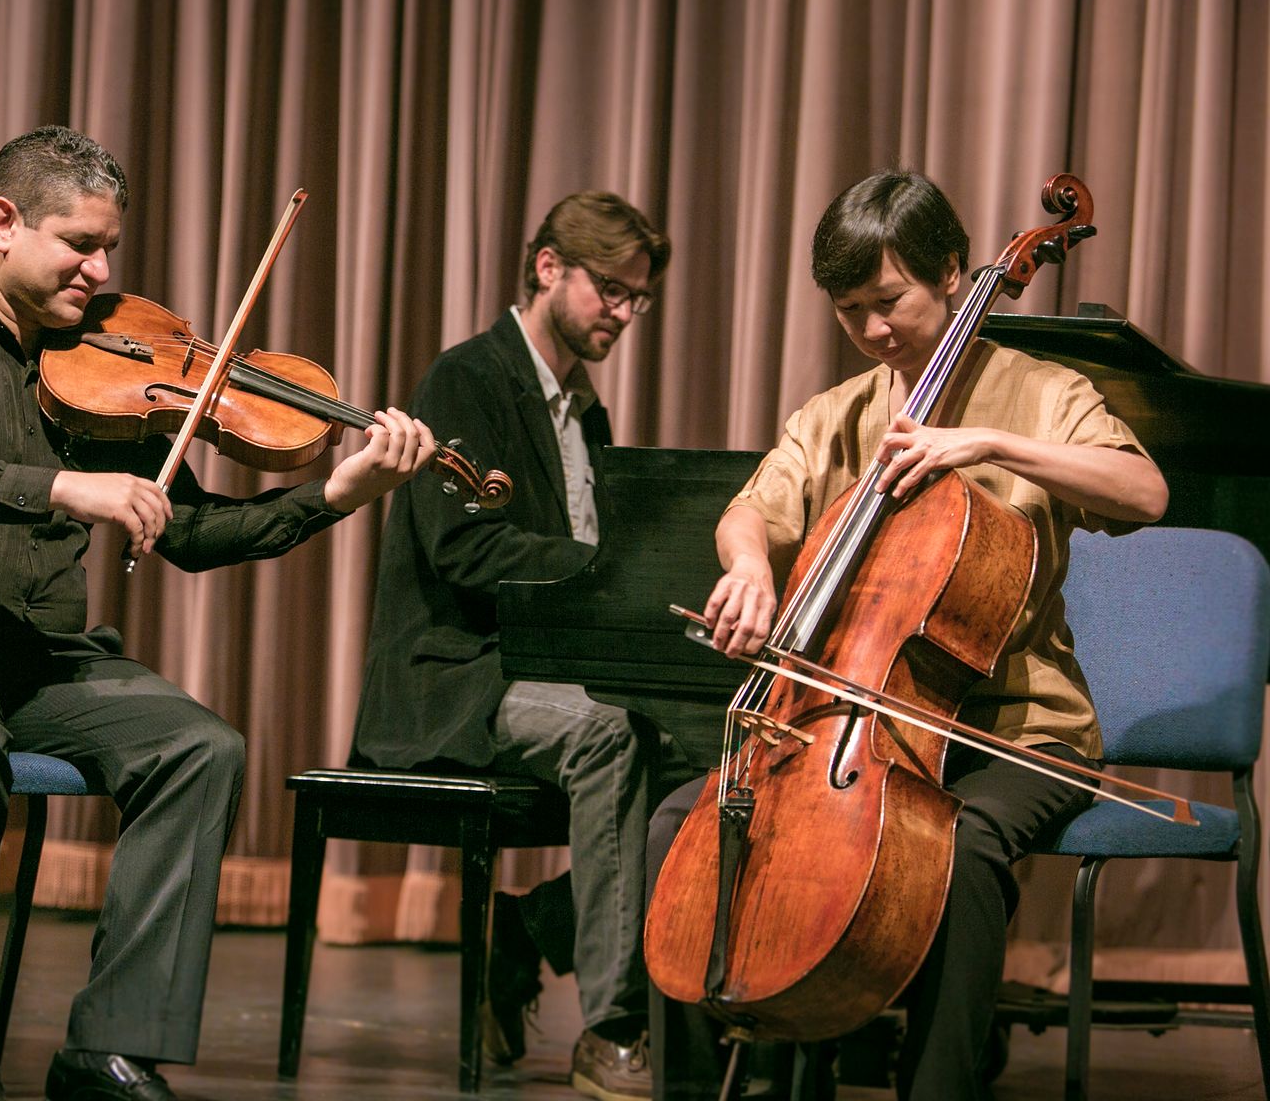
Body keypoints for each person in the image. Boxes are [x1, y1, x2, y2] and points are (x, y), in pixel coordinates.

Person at [0, 125, 436, 1101]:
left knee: (199, 746)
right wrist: (59, 487)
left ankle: (106, 1045)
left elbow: (195, 532)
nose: (100, 272)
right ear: (3, 222)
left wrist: (336, 495)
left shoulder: (95, 372)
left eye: (109, 249)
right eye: (79, 244)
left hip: (38, 660)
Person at [647, 169, 1169, 1101]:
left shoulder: (1042, 392)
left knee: (961, 851)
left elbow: (1146, 492)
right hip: (847, 727)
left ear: (954, 273)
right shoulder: (836, 413)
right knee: (681, 824)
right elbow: (751, 511)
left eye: (889, 301)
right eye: (850, 310)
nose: (872, 329)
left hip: (1016, 730)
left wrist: (991, 445)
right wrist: (750, 567)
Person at [351, 191, 674, 1101]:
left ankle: (532, 928)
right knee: (612, 734)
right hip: (456, 674)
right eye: (611, 289)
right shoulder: (466, 379)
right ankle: (611, 1029)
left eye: (638, 298)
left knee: (712, 744)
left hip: (547, 667)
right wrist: (604, 568)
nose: (624, 312)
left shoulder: (585, 410)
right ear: (548, 268)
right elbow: (463, 549)